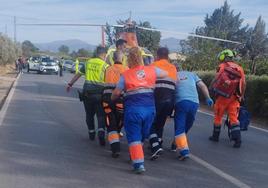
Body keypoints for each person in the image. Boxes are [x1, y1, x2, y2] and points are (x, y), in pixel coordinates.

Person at [111, 47, 167, 174]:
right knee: (143, 134)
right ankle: (136, 153)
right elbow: (165, 74)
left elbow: (116, 92)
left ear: (128, 60)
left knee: (134, 136)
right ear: (141, 57)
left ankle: (138, 164)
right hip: (149, 110)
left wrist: (112, 98)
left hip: (133, 110)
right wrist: (148, 70)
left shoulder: (125, 74)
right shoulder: (151, 70)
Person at [66, 46, 109, 146]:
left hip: (87, 94)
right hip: (99, 95)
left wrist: (70, 84)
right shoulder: (105, 66)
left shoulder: (88, 63)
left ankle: (91, 133)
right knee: (101, 115)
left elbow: (78, 74)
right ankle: (101, 132)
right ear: (104, 54)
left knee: (89, 115)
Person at [209, 49, 246, 148]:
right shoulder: (239, 68)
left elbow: (217, 78)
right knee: (234, 118)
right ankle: (237, 140)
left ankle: (215, 136)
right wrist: (241, 95)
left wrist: (211, 87)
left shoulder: (222, 66)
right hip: (235, 97)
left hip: (222, 96)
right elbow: (243, 83)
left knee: (218, 116)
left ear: (223, 56)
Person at [174, 70, 213, 160]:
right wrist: (208, 98)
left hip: (181, 102)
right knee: (188, 124)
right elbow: (202, 86)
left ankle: (184, 150)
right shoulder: (192, 74)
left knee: (180, 127)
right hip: (194, 103)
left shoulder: (173, 74)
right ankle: (177, 142)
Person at [149, 47, 177, 160]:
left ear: (158, 55)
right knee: (160, 122)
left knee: (150, 122)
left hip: (157, 97)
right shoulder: (173, 68)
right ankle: (159, 143)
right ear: (167, 56)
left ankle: (155, 145)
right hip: (170, 99)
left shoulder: (153, 66)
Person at [102, 51, 128, 158]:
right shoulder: (127, 70)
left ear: (113, 58)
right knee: (120, 120)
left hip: (107, 98)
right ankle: (117, 134)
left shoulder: (108, 69)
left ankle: (115, 148)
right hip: (120, 99)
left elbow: (104, 83)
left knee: (110, 121)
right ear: (122, 59)